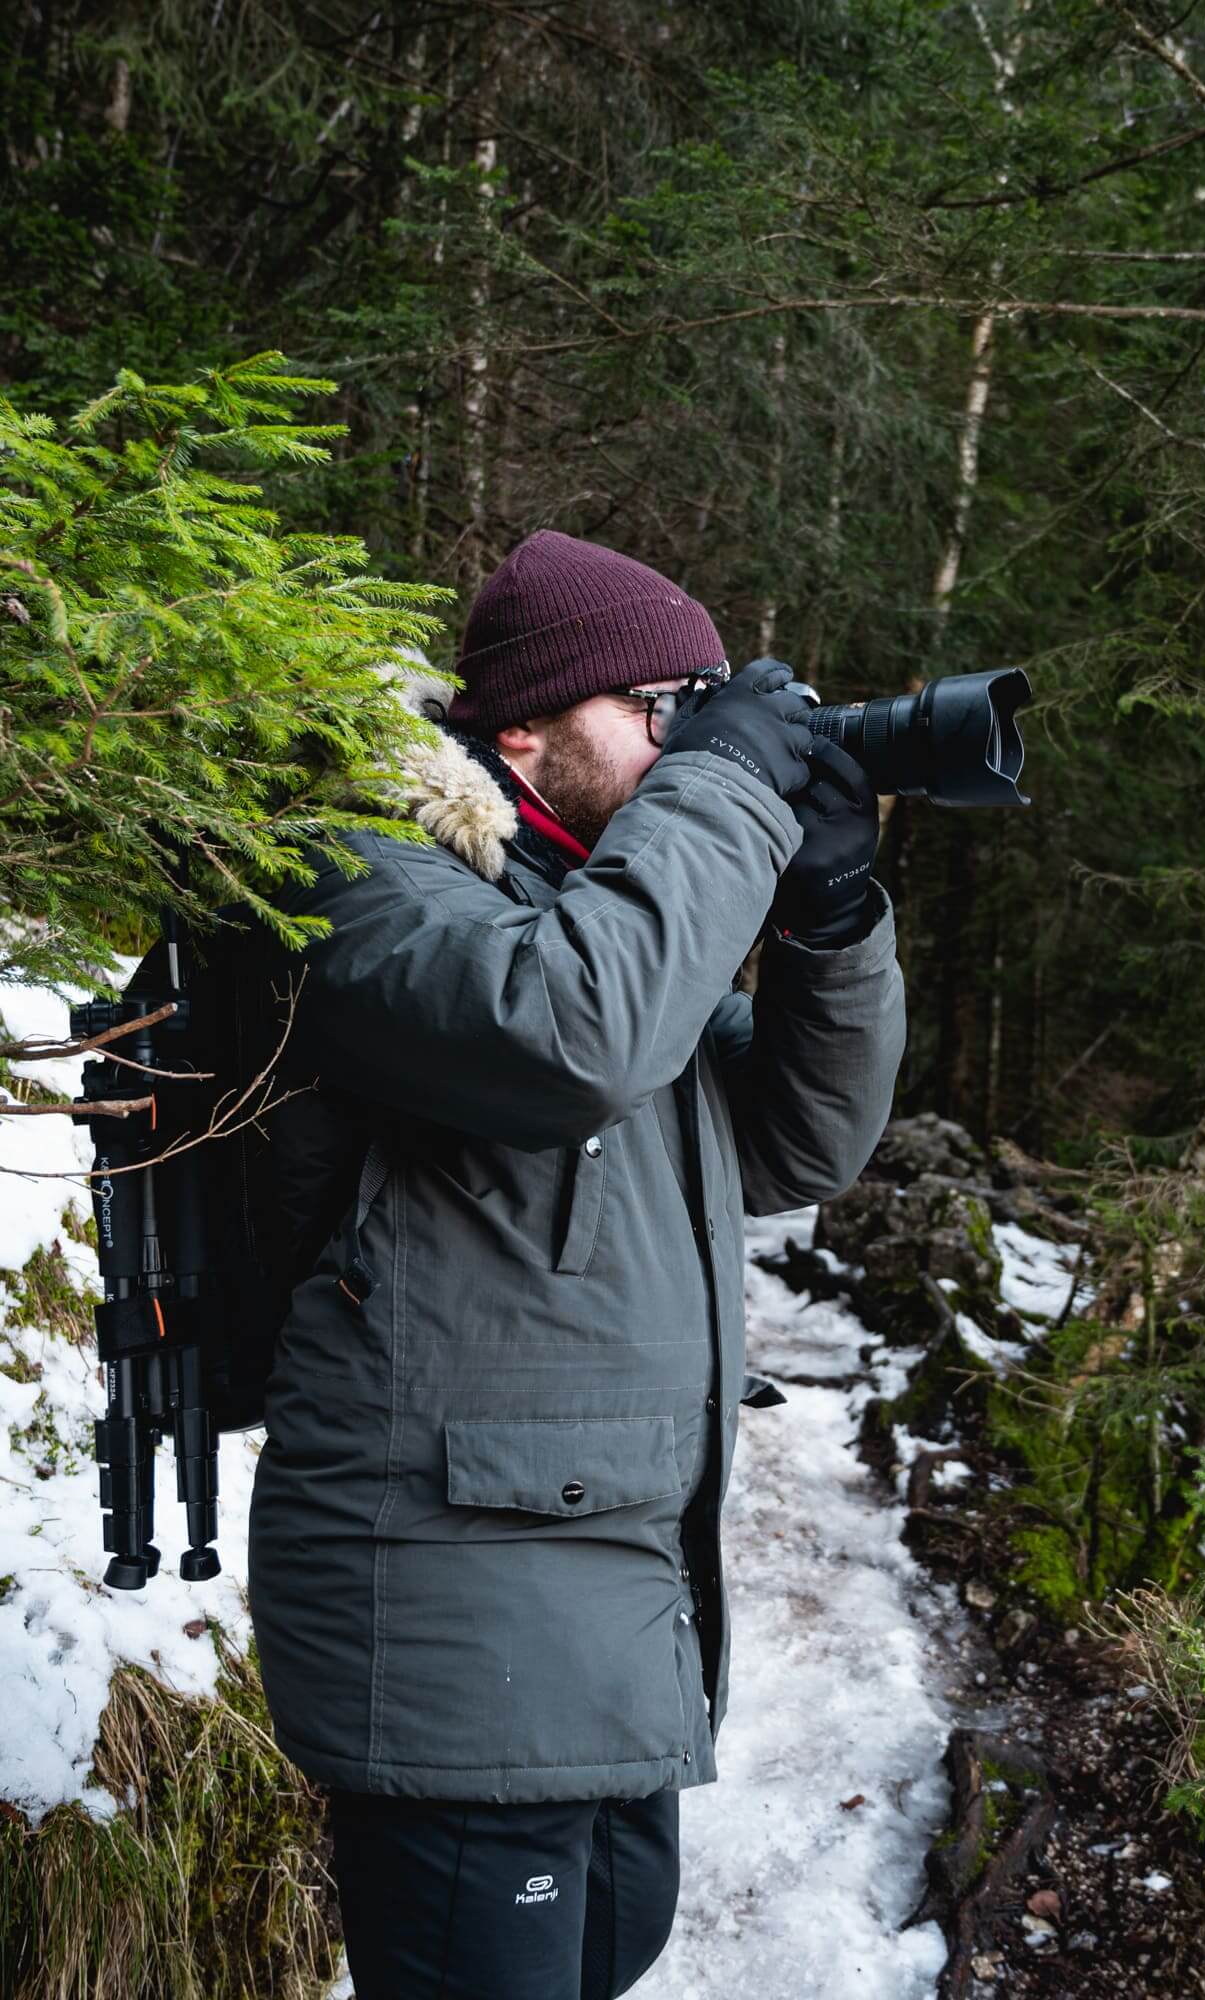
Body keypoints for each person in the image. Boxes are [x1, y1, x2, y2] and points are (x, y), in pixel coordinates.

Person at [247, 528, 907, 1999]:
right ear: (525, 730)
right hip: (450, 1609)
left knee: (605, 1956)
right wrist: (730, 791)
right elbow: (568, 1038)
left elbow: (803, 1142)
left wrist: (831, 919)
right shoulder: (367, 878)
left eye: (706, 707)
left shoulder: (599, 923)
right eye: (662, 707)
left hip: (600, 1608)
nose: (690, 740)